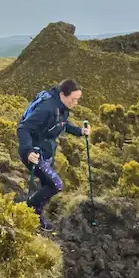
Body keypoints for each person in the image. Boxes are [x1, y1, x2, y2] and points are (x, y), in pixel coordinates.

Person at [16, 79, 90, 231]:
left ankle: (36, 216)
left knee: (46, 185)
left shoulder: (61, 107)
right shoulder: (47, 108)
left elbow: (62, 124)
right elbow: (23, 128)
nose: (75, 103)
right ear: (63, 94)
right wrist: (28, 150)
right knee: (56, 185)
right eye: (73, 99)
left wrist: (80, 131)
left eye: (77, 99)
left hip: (47, 150)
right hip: (34, 153)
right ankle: (24, 211)